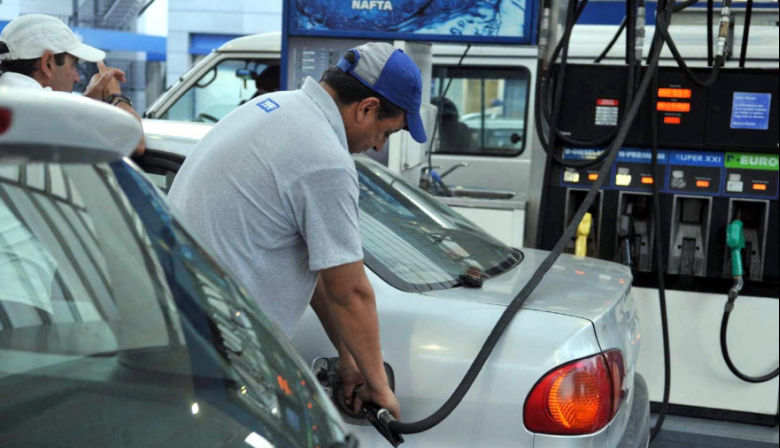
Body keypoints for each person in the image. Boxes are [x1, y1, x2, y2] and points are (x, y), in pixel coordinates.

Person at [167, 42, 427, 420]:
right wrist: (379, 387)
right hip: (217, 356)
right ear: (367, 108)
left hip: (176, 334)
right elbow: (349, 292)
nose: (377, 146)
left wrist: (350, 357)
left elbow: (320, 270)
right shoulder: (325, 161)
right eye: (385, 133)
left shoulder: (275, 108)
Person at [0, 14, 145, 155]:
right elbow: (134, 141)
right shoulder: (44, 110)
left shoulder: (10, 99)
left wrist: (85, 102)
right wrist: (115, 95)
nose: (77, 78)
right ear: (48, 63)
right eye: (73, 65)